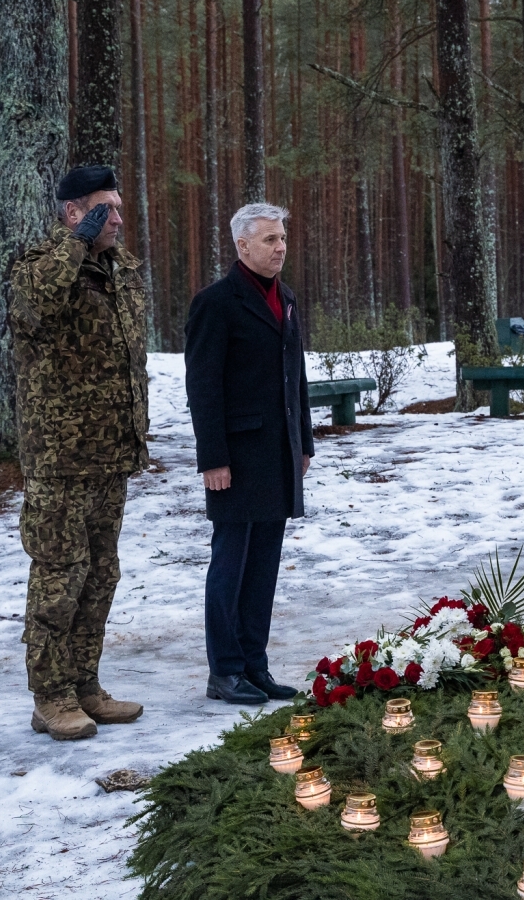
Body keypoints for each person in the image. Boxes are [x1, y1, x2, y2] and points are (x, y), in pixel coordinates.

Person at [9, 165, 149, 741]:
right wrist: (75, 244)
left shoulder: (121, 271)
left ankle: (86, 684)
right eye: (105, 210)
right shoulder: (39, 267)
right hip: (60, 458)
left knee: (100, 576)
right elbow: (33, 309)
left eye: (117, 209)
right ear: (75, 213)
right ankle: (51, 696)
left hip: (111, 452)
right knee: (58, 577)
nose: (117, 220)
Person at [185, 203, 312, 705]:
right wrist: (212, 457)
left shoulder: (287, 298)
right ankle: (225, 671)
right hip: (235, 458)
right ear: (242, 246)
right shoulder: (216, 302)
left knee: (264, 565)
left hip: (279, 452)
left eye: (282, 238)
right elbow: (203, 385)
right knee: (231, 564)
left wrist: (303, 439)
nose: (280, 247)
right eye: (269, 240)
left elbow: (295, 376)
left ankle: (255, 666)